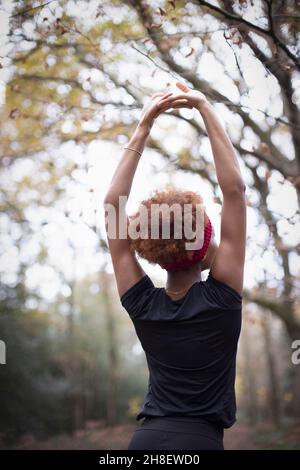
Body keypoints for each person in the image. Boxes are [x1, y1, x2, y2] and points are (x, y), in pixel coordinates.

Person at [104, 82, 246, 450]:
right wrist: (204, 106)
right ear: (202, 249)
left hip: (145, 440)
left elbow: (112, 206)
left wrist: (144, 126)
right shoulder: (222, 298)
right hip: (201, 442)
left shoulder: (141, 304)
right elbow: (234, 191)